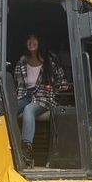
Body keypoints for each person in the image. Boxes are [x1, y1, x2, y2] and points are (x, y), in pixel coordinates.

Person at [14, 32, 68, 166]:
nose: (31, 42)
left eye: (34, 40)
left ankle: (26, 151)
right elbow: (16, 81)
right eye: (28, 40)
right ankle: (9, 145)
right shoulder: (22, 61)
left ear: (39, 43)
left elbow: (61, 80)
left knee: (29, 110)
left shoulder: (50, 60)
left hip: (43, 96)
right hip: (25, 95)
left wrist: (61, 86)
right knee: (9, 109)